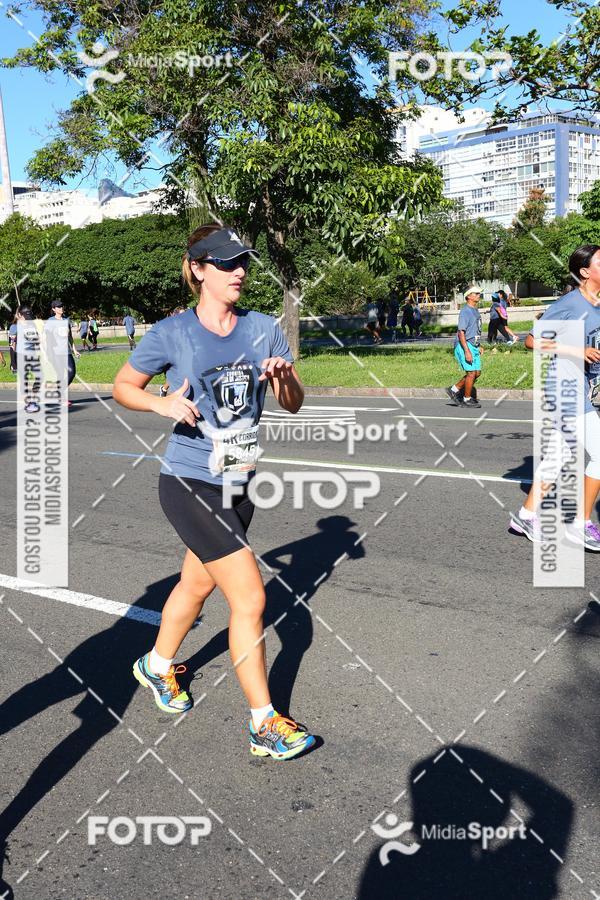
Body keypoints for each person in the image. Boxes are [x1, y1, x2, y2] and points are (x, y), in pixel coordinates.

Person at [113, 224, 316, 760]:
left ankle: (156, 666)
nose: (240, 271)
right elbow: (122, 387)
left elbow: (293, 403)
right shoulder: (171, 332)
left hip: (240, 479)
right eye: (226, 264)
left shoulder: (263, 328)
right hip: (189, 479)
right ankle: (263, 723)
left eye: (243, 261)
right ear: (198, 269)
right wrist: (161, 405)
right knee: (251, 597)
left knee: (196, 585)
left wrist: (282, 377)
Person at [510, 244, 600, 550]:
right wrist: (577, 351)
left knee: (560, 455)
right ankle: (581, 525)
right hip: (564, 388)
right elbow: (533, 342)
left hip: (581, 387)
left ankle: (525, 515)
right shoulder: (570, 303)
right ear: (586, 272)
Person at [446, 286, 483, 408]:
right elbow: (461, 332)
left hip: (473, 345)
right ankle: (467, 399)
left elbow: (474, 330)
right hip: (464, 345)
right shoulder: (465, 311)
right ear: (469, 296)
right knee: (471, 373)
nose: (479, 295)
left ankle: (454, 389)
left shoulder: (475, 310)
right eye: (476, 293)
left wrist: (479, 345)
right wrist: (467, 351)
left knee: (477, 373)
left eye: (479, 293)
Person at [48, 300, 80, 406]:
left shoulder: (66, 320)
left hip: (67, 352)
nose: (61, 308)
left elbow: (70, 337)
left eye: (61, 306)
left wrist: (74, 350)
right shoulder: (51, 321)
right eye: (58, 307)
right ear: (53, 309)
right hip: (55, 353)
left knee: (72, 372)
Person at [159, 306, 188, 397]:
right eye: (182, 314)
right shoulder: (170, 327)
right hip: (172, 356)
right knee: (175, 377)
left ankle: (164, 388)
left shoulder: (187, 326)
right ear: (176, 315)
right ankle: (166, 389)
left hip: (184, 355)